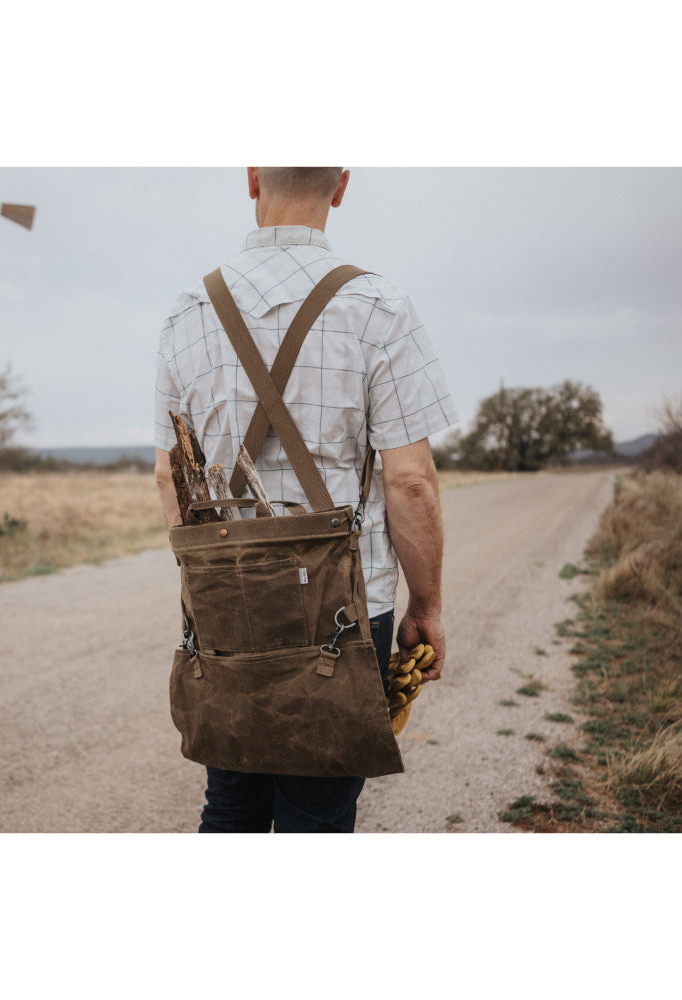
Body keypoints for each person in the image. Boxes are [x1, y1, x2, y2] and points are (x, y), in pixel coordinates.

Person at [153, 167, 459, 833]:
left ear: (253, 178)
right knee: (316, 817)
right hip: (345, 610)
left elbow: (169, 478)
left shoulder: (186, 311)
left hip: (227, 605)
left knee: (230, 806)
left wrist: (213, 589)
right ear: (341, 186)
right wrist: (427, 605)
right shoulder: (381, 307)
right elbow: (410, 482)